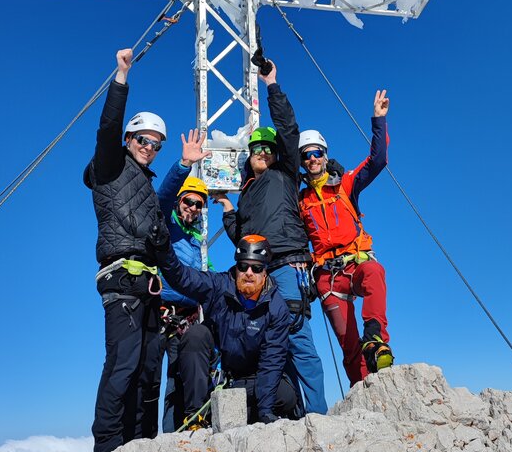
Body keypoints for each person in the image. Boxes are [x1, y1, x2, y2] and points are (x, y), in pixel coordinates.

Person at [213, 62, 328, 416]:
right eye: (256, 149)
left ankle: (320, 417)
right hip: (258, 271)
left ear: (276, 154)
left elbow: (288, 129)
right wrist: (230, 211)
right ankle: (293, 414)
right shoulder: (247, 192)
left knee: (297, 339)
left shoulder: (285, 174)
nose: (262, 153)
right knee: (270, 343)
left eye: (267, 148)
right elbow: (241, 239)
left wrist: (273, 85)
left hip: (287, 265)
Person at [84, 48, 167, 452]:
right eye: (143, 140)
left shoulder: (147, 188)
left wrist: (184, 167)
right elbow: (107, 127)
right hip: (120, 280)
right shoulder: (110, 167)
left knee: (149, 366)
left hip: (147, 284)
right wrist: (121, 78)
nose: (150, 147)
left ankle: (139, 449)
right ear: (129, 140)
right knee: (123, 364)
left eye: (156, 144)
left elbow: (159, 216)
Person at [151, 230, 299, 424]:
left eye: (256, 268)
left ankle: (244, 413)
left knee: (286, 396)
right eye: (243, 265)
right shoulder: (218, 285)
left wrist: (265, 411)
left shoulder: (277, 308)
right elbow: (182, 277)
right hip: (219, 375)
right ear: (236, 267)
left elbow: (272, 360)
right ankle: (197, 417)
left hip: (253, 377)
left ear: (265, 272)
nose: (248, 273)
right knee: (196, 334)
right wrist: (164, 250)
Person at [298, 89, 394, 386]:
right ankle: (362, 397)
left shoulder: (346, 184)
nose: (313, 158)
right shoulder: (300, 201)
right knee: (349, 347)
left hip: (355, 264)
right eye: (307, 155)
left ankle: (375, 336)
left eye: (317, 153)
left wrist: (379, 120)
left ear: (326, 156)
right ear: (302, 162)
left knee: (374, 272)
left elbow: (377, 161)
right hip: (328, 277)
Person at [154, 131, 213, 431]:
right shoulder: (166, 224)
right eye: (188, 201)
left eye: (199, 204)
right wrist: (183, 165)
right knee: (149, 380)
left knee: (177, 380)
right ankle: (152, 440)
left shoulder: (196, 243)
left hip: (186, 320)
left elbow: (208, 276)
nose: (192, 208)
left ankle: (174, 436)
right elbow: (161, 198)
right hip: (160, 313)